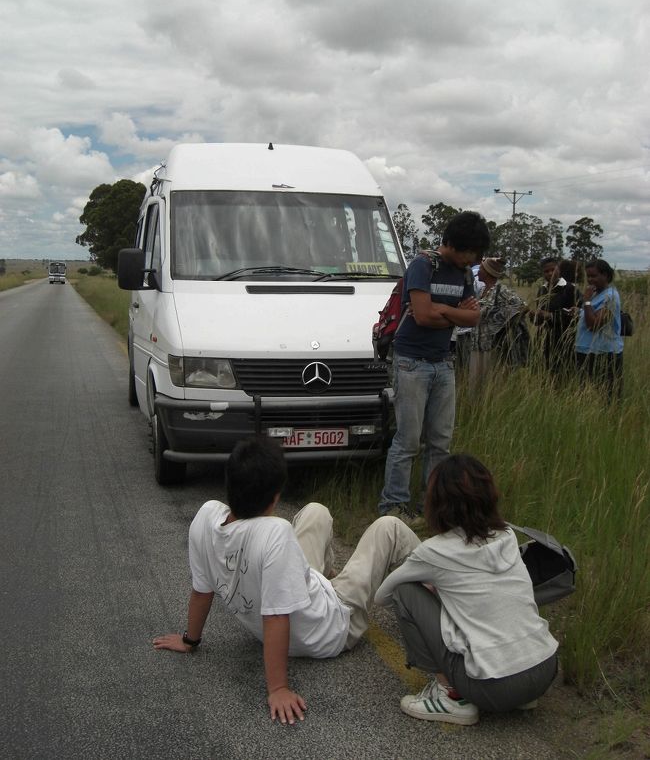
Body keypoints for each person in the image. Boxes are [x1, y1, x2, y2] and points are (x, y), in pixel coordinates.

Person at [153, 436, 420, 724]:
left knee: (315, 511)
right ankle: (445, 577)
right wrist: (277, 688)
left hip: (283, 620)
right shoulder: (275, 532)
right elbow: (276, 617)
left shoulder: (205, 518)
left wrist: (189, 640)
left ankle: (328, 577)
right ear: (275, 497)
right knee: (389, 527)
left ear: (228, 483)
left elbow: (201, 591)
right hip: (335, 625)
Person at [375, 454, 559, 726]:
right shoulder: (507, 534)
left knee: (406, 591)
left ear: (437, 503)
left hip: (494, 688)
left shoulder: (435, 551)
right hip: (545, 669)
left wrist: (435, 589)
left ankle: (451, 697)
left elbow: (383, 596)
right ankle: (522, 697)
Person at [378, 211, 491, 523]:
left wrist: (442, 307)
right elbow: (423, 317)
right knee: (408, 441)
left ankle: (433, 507)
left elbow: (473, 317)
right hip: (411, 363)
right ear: (456, 245)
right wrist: (454, 312)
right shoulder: (423, 265)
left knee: (440, 441)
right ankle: (394, 507)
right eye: (472, 253)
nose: (474, 260)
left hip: (444, 363)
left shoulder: (465, 274)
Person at [468, 257, 527, 394]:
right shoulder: (482, 291)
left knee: (489, 386)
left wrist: (497, 323)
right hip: (476, 345)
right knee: (474, 387)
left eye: (482, 268)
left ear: (488, 272)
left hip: (491, 347)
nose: (479, 271)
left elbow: (521, 306)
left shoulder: (500, 290)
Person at [575, 258, 624, 401]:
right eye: (588, 276)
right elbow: (589, 314)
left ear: (606, 276)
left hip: (604, 353)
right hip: (585, 350)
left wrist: (587, 301)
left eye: (594, 276)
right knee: (585, 395)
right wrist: (578, 311)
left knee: (607, 397)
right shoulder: (596, 293)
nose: (590, 280)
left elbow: (594, 325)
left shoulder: (611, 296)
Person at [530, 257, 582, 376]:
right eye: (546, 271)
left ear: (558, 269)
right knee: (544, 371)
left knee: (562, 372)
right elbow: (539, 318)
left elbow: (576, 314)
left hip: (564, 339)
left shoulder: (570, 289)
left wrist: (551, 316)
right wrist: (534, 316)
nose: (550, 273)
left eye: (552, 269)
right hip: (544, 338)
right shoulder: (542, 290)